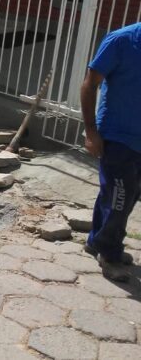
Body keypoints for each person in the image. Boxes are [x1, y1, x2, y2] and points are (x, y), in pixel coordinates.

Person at [80, 21, 141, 282]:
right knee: (119, 196)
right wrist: (91, 132)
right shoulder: (121, 40)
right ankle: (109, 254)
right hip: (117, 136)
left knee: (124, 195)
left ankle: (97, 241)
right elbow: (89, 84)